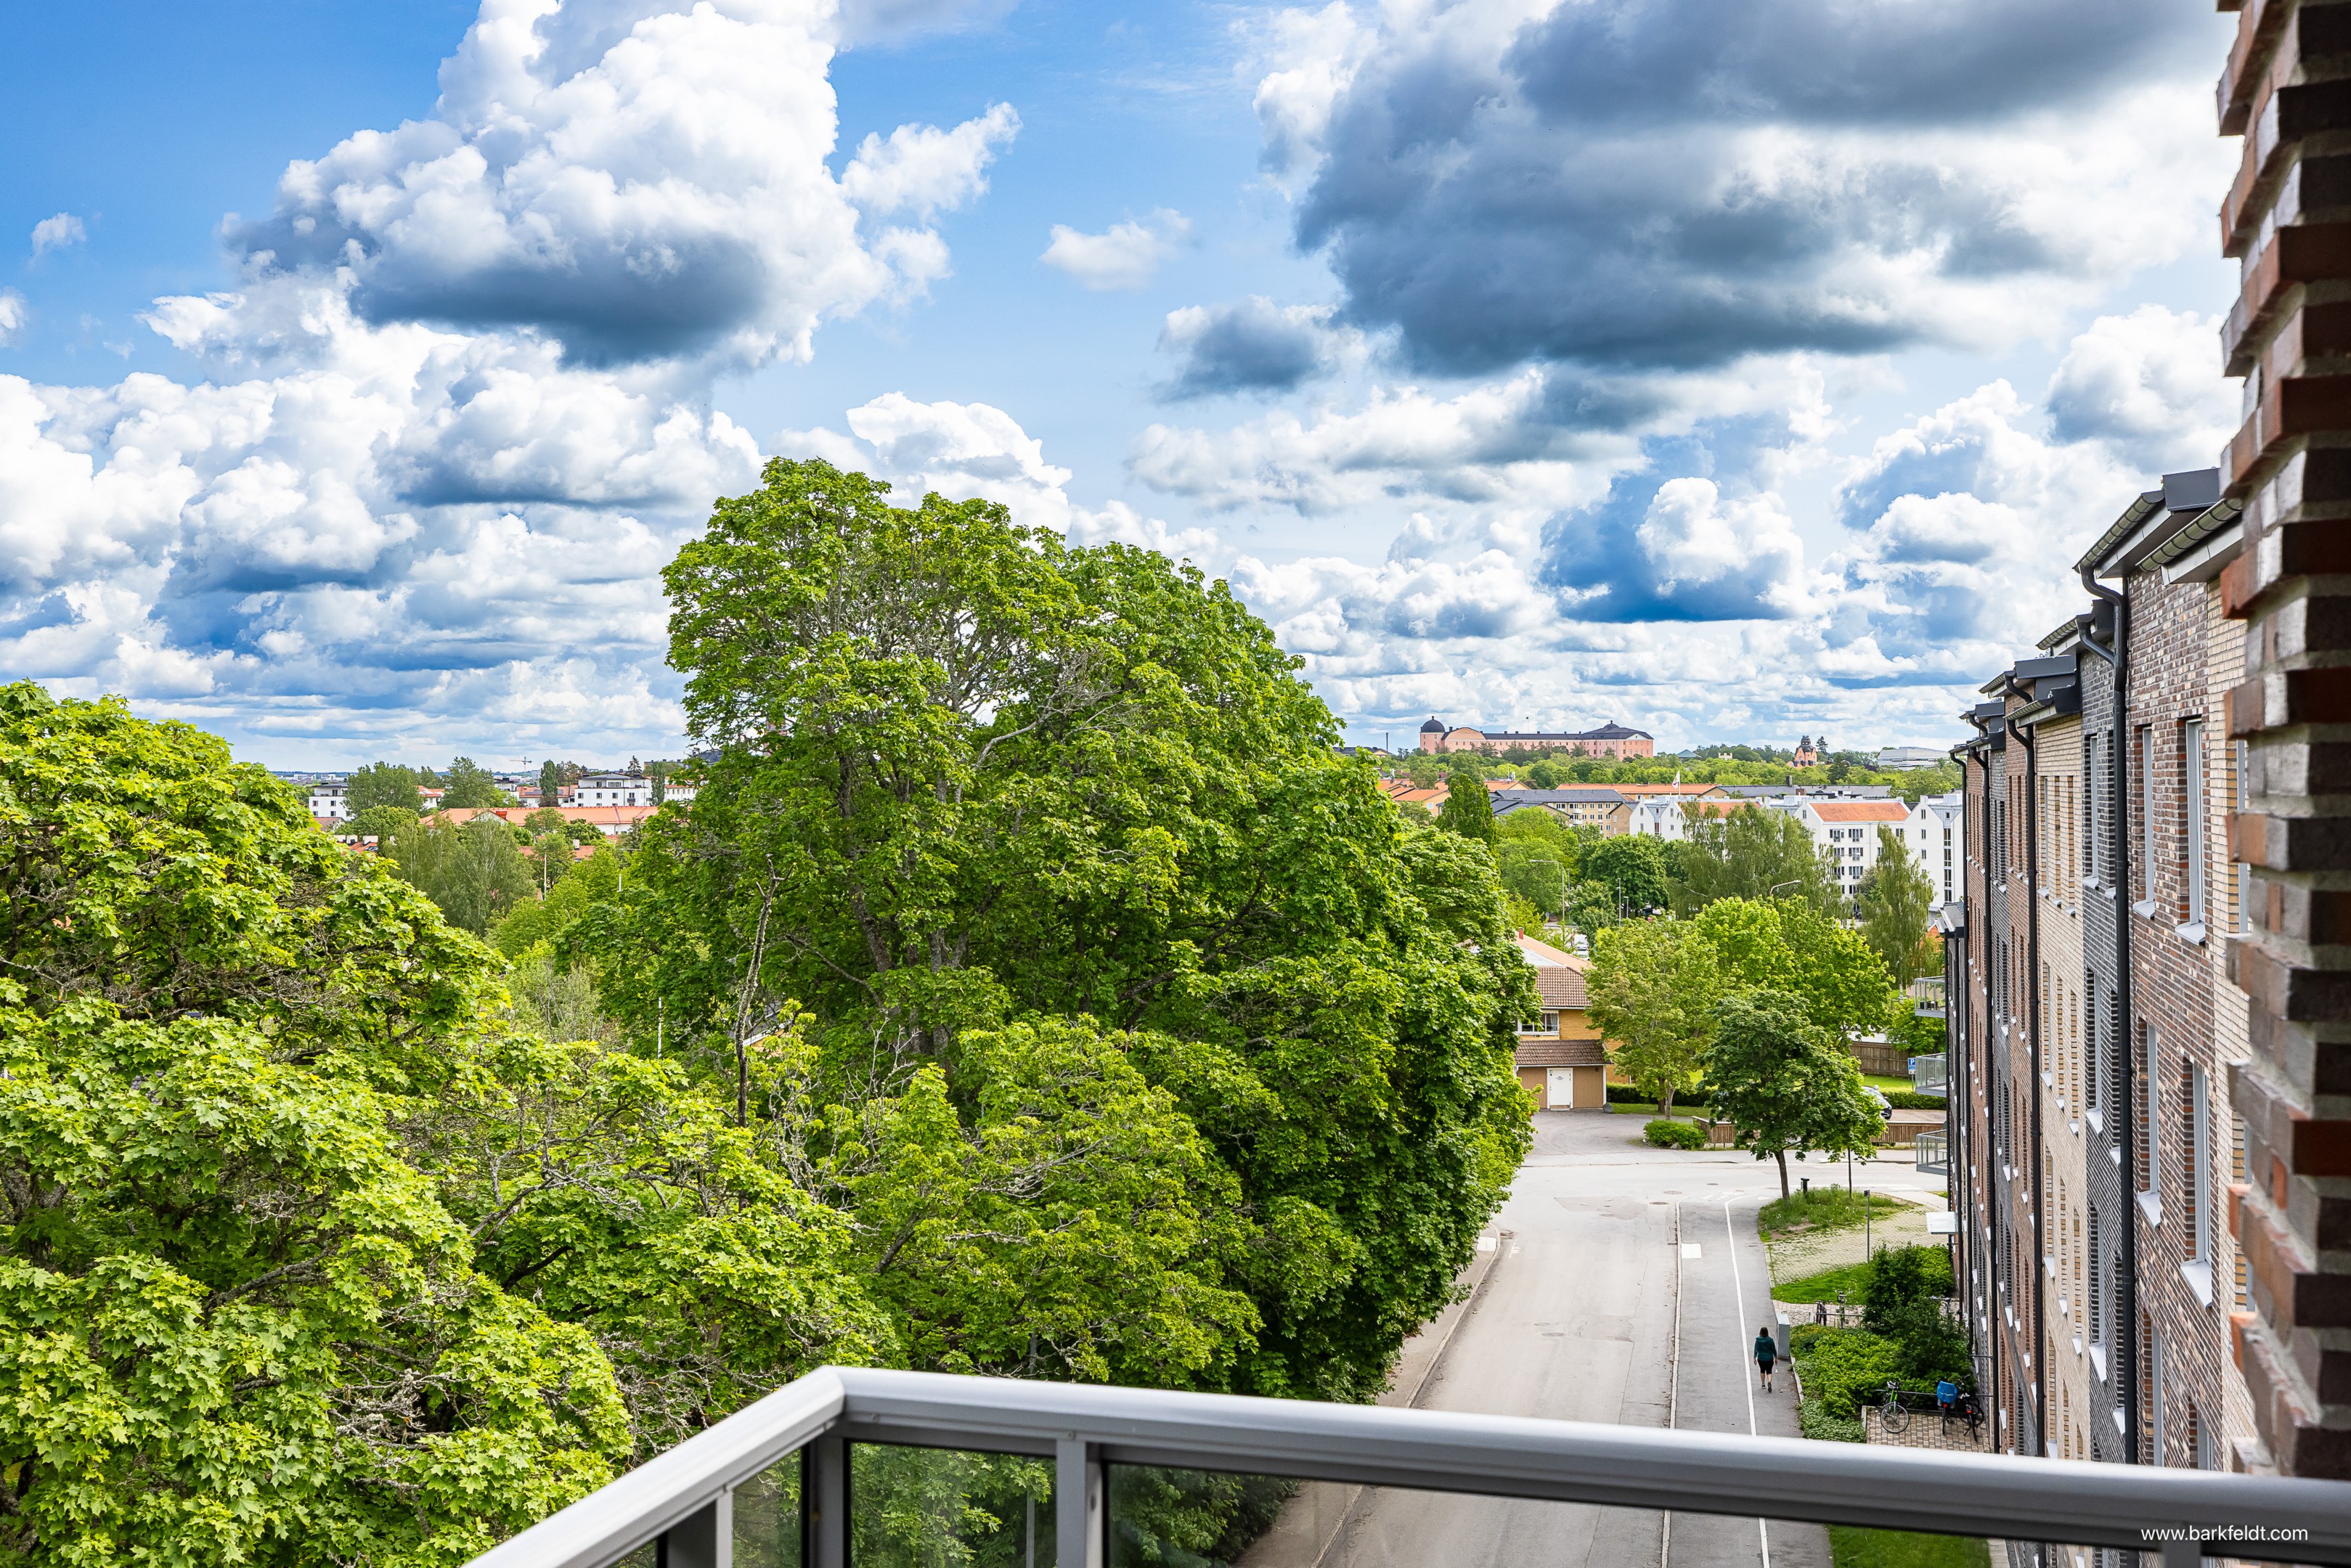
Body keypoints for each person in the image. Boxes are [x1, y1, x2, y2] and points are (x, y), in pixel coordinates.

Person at [1754, 1326, 1777, 1392]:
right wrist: (1776, 1357)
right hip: (1769, 1358)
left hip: (1761, 1358)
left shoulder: (1758, 1340)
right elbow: (1773, 1350)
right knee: (1769, 1371)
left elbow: (1756, 1349)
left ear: (1760, 1332)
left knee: (1762, 1370)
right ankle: (1769, 1381)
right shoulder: (1770, 1340)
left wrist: (1754, 1357)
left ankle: (1763, 1384)